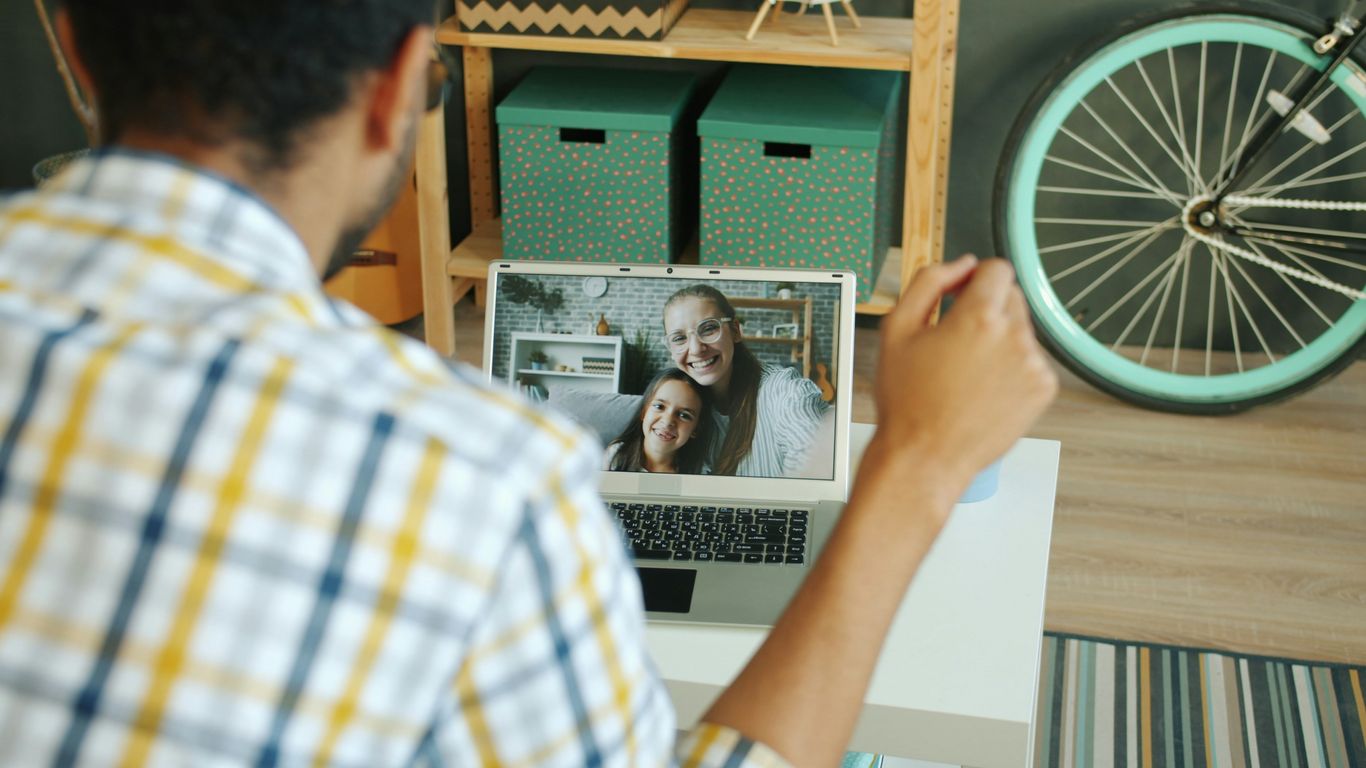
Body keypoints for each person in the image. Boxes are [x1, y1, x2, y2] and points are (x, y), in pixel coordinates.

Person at [0, 1, 1058, 766]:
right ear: (398, 91)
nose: (687, 371)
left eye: (707, 347)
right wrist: (919, 462)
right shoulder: (482, 476)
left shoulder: (759, 413)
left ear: (71, 43)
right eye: (673, 360)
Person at [663, 285, 828, 477]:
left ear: (735, 331)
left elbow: (811, 464)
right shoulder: (676, 405)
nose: (696, 349)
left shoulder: (786, 392)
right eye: (679, 338)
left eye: (708, 329)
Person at [603, 369, 712, 473]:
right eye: (659, 406)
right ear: (643, 412)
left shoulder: (700, 473)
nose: (668, 421)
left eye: (684, 415)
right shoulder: (617, 455)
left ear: (696, 428)